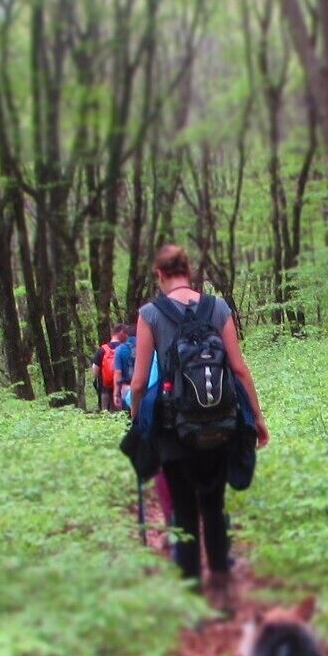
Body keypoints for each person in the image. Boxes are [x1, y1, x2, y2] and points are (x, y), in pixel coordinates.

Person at [130, 245, 266, 596]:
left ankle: (192, 596)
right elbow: (238, 367)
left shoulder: (150, 314)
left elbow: (140, 381)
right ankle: (221, 589)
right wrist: (257, 418)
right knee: (213, 507)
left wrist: (137, 423)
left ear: (160, 275)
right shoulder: (217, 307)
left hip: (175, 431)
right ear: (188, 270)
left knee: (185, 514)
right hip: (221, 424)